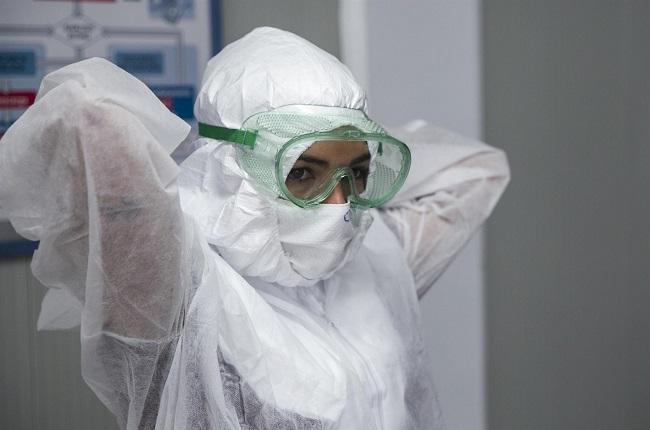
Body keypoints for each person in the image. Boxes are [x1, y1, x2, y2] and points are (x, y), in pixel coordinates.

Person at [0, 27, 509, 430]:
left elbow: (477, 171)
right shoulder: (176, 289)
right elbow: (84, 116)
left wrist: (337, 130)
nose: (340, 206)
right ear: (228, 166)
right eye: (302, 173)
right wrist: (195, 157)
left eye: (356, 173)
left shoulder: (373, 260)